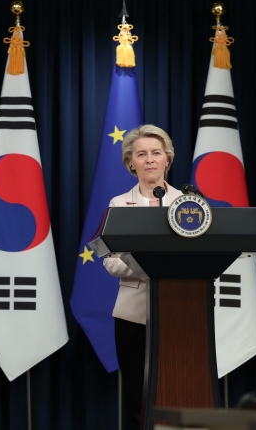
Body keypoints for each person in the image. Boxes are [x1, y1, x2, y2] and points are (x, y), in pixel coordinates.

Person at [103, 124, 182, 430]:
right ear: (130, 163)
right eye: (141, 154)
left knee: (177, 393)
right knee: (138, 397)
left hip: (181, 310)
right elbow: (112, 263)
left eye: (156, 153)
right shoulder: (118, 205)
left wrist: (137, 255)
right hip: (132, 317)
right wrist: (154, 260)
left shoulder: (188, 204)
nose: (150, 159)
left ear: (168, 160)